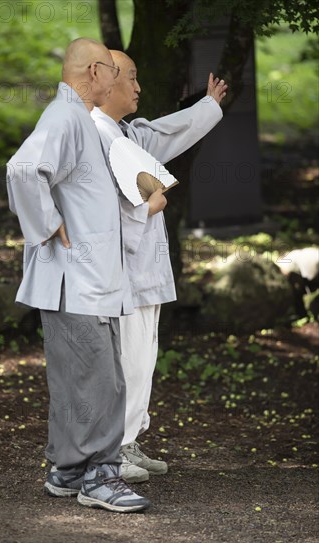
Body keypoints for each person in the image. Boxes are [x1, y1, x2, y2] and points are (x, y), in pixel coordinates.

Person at [6, 38, 152, 513]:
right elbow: (24, 170)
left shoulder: (76, 117)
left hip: (86, 280)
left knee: (80, 380)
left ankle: (68, 471)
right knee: (100, 382)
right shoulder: (66, 116)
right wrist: (47, 224)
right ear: (94, 72)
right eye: (112, 69)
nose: (116, 79)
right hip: (78, 281)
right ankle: (98, 477)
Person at [90, 50, 227, 482]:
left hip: (145, 268)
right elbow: (100, 208)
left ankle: (129, 439)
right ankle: (113, 447)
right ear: (105, 81)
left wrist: (207, 107)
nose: (138, 87)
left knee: (143, 356)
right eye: (130, 78)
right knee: (126, 358)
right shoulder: (92, 135)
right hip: (120, 270)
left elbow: (169, 131)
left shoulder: (128, 132)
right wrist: (148, 206)